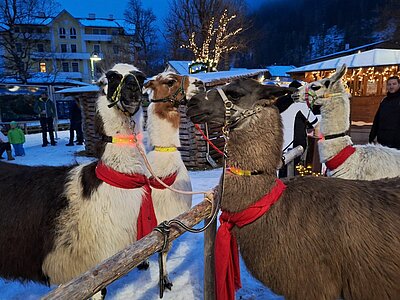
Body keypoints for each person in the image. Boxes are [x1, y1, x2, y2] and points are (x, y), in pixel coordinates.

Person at [279, 80, 320, 177]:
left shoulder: (281, 105)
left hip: (279, 144)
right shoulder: (300, 105)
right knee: (292, 171)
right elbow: (316, 124)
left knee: (281, 171)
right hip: (295, 145)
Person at [369, 76, 400, 150]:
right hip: (383, 141)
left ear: (399, 85)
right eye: (389, 84)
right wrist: (372, 136)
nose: (391, 86)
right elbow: (377, 119)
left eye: (394, 84)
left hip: (397, 142)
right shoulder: (384, 101)